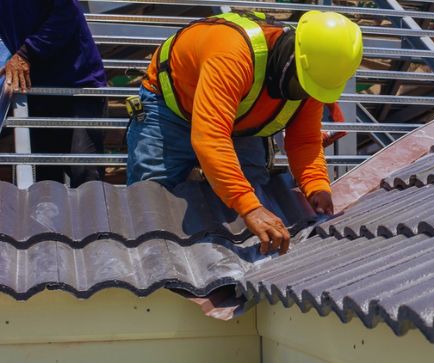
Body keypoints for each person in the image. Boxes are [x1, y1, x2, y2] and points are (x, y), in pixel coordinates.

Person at [126, 10, 362, 255]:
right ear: (292, 57)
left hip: (238, 116)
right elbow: (211, 137)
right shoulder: (233, 54)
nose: (306, 94)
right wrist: (249, 208)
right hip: (171, 108)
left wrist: (317, 186)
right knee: (153, 200)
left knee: (253, 190)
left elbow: (304, 141)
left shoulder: (313, 75)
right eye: (302, 84)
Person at [0, 0, 107, 186]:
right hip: (37, 90)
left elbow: (66, 14)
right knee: (46, 182)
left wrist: (26, 53)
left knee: (85, 173)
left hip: (79, 86)